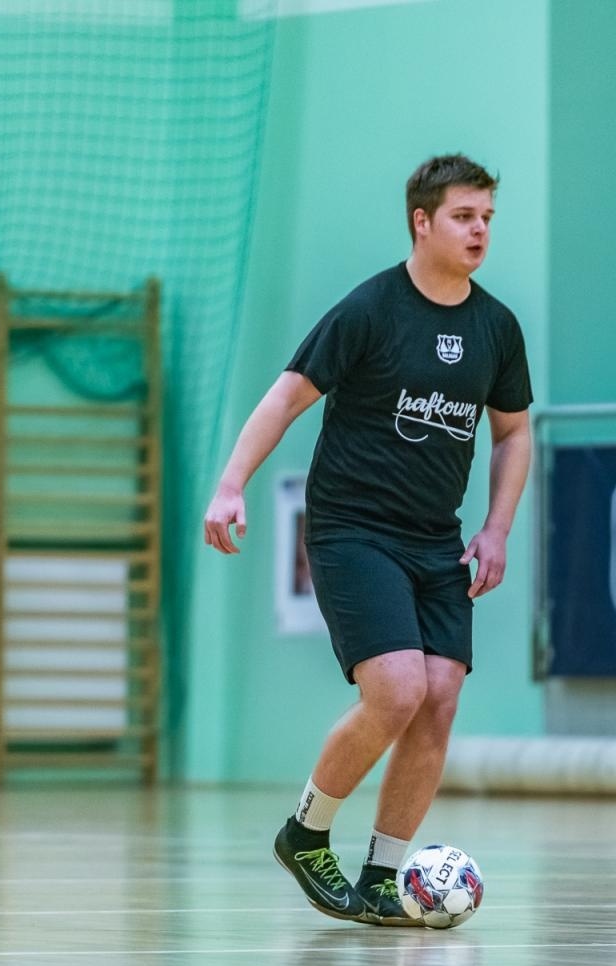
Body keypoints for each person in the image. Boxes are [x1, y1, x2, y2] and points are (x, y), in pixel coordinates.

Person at [203, 154, 533, 925]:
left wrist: (496, 527)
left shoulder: (497, 327)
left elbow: (514, 433)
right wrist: (229, 484)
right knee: (398, 689)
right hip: (354, 529)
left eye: (487, 216)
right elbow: (287, 397)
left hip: (436, 538)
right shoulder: (371, 310)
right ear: (422, 222)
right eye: (463, 216)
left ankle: (384, 877)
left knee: (440, 699)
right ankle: (306, 830)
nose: (480, 229)